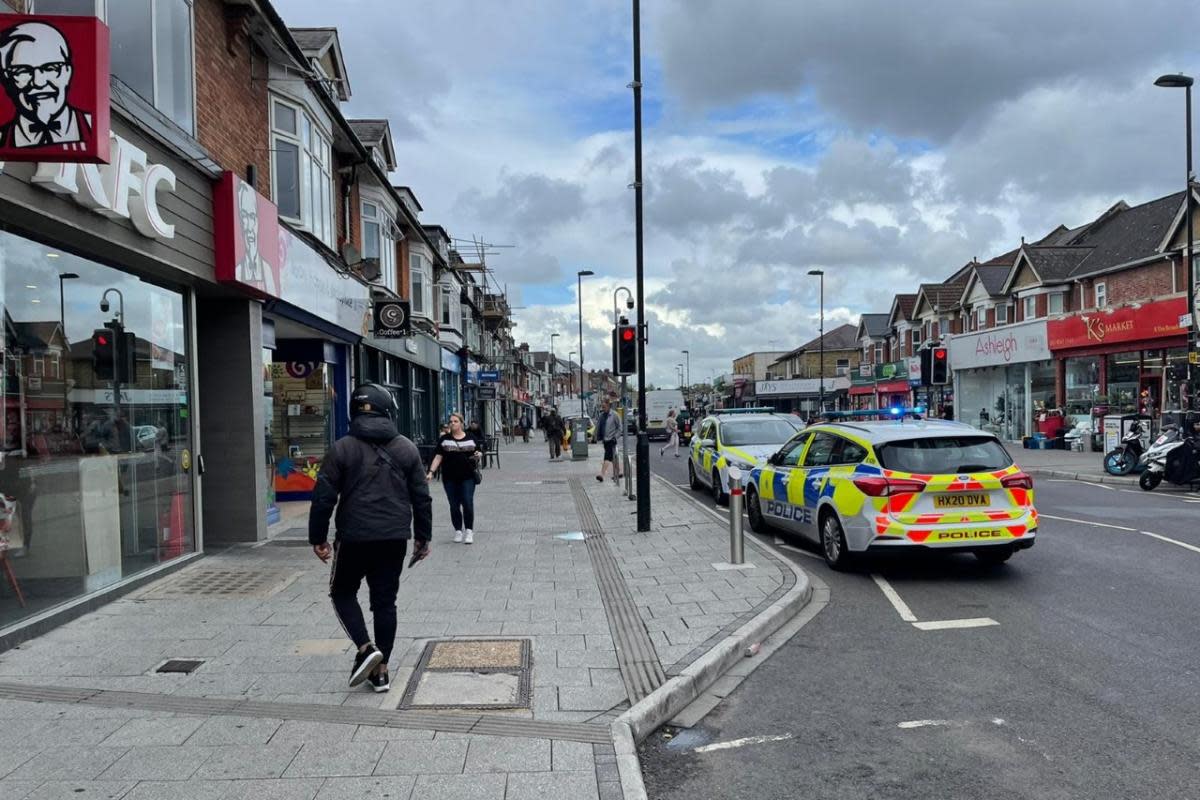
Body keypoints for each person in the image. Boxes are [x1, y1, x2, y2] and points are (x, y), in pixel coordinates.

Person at [309, 383, 433, 694]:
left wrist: (318, 537)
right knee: (385, 603)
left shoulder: (341, 448)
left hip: (353, 537)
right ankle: (381, 672)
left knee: (342, 592)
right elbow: (422, 498)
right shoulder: (406, 448)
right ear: (388, 410)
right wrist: (423, 537)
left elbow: (323, 497)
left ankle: (365, 648)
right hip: (393, 537)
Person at [0, 21, 94, 151]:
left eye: (50, 68)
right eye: (23, 71)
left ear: (67, 73)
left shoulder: (96, 129)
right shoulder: (2, 138)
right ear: (7, 79)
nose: (39, 82)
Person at [426, 413, 481, 544]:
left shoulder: (471, 437)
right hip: (449, 478)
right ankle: (458, 530)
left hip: (467, 477)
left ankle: (468, 531)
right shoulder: (444, 439)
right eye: (451, 421)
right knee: (454, 505)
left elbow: (478, 452)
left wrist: (479, 454)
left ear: (462, 423)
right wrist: (431, 472)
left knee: (467, 503)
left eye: (455, 421)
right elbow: (438, 456)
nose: (452, 423)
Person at [596, 398, 622, 483]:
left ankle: (601, 474)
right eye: (602, 407)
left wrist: (615, 437)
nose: (603, 408)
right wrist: (594, 437)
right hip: (605, 440)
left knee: (607, 457)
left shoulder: (614, 415)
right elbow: (598, 427)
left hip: (611, 439)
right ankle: (618, 472)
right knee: (613, 457)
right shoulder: (602, 415)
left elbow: (620, 428)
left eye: (604, 407)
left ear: (608, 405)